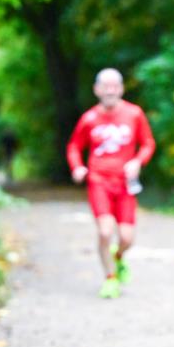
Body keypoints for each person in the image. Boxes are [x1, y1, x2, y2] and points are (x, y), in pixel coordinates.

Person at [67, 68, 156, 299]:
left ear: (121, 88)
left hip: (126, 183)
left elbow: (147, 144)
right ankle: (110, 279)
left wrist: (137, 161)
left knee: (126, 238)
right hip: (99, 181)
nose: (110, 90)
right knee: (105, 232)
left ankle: (117, 258)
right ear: (96, 90)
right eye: (105, 86)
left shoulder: (134, 114)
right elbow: (74, 146)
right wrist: (77, 167)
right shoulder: (89, 118)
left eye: (114, 85)